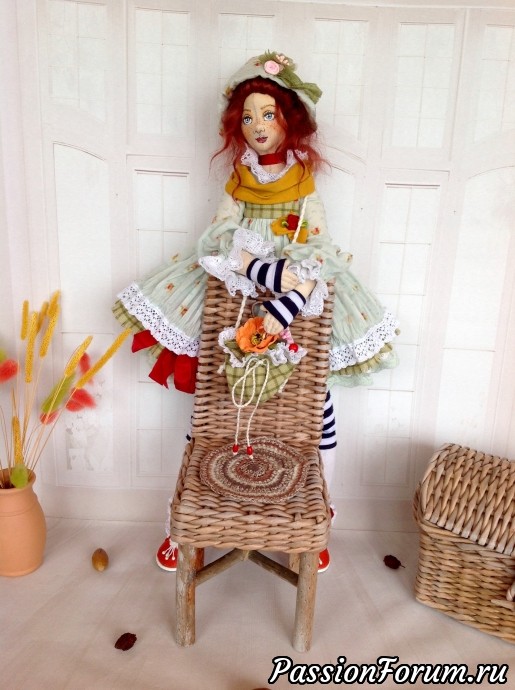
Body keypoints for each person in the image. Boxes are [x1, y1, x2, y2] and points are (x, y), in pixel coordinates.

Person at [113, 51, 399, 574]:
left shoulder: (304, 186)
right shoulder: (240, 181)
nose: (257, 126)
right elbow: (219, 240)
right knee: (212, 403)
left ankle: (319, 518)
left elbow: (320, 252)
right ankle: (183, 522)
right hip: (235, 297)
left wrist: (288, 295)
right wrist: (262, 269)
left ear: (290, 120)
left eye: (268, 114)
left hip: (298, 307)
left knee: (315, 406)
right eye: (247, 117)